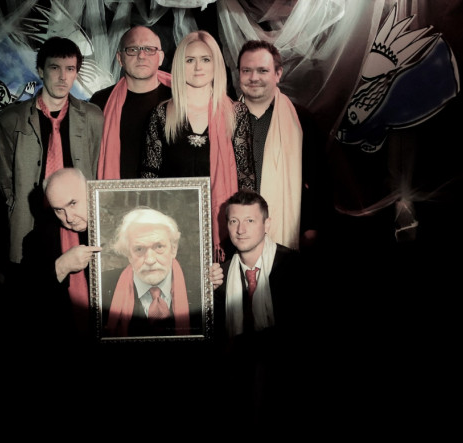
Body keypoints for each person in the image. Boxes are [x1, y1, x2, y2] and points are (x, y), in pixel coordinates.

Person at [0, 36, 103, 287]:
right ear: (41, 70)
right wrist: (22, 207)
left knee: (83, 292)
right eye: (55, 68)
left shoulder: (93, 117)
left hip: (79, 220)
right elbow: (5, 180)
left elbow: (96, 166)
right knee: (36, 292)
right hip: (34, 221)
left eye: (70, 69)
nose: (63, 77)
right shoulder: (10, 120)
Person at [140, 30, 255, 263]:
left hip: (224, 229)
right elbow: (149, 177)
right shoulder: (161, 115)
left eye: (205, 59)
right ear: (179, 66)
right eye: (190, 60)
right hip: (172, 231)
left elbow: (246, 177)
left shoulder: (236, 113)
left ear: (216, 64)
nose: (198, 67)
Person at [210, 189, 302, 431]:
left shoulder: (294, 266)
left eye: (250, 220)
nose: (241, 230)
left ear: (266, 224)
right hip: (236, 383)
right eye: (234, 221)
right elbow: (215, 339)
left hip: (285, 381)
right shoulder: (219, 276)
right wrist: (206, 292)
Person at [237, 39, 323, 251]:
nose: (254, 77)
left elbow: (318, 179)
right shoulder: (224, 119)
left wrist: (311, 226)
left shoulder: (302, 120)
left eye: (262, 70)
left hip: (288, 233)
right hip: (235, 231)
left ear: (278, 74)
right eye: (247, 70)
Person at [20, 167, 102, 334]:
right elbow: (26, 300)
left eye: (73, 203)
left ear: (90, 191)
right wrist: (61, 267)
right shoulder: (37, 240)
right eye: (59, 210)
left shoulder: (121, 226)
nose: (69, 218)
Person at [101, 207, 199, 338]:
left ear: (173, 249)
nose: (150, 260)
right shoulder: (102, 287)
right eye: (139, 249)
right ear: (129, 255)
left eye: (159, 247)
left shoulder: (201, 285)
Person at [90, 25, 172, 179]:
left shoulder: (179, 98)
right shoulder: (101, 101)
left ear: (160, 57)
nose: (141, 55)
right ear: (120, 58)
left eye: (149, 49)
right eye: (133, 49)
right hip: (117, 191)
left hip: (172, 191)